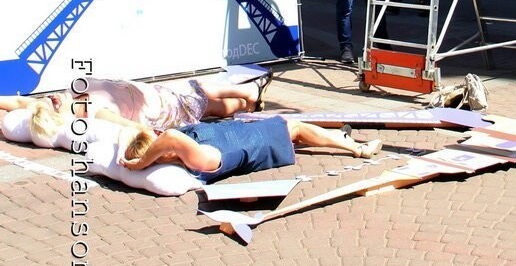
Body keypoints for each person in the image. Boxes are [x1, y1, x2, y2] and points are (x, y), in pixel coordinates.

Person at [119, 115, 383, 182]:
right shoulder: (199, 161)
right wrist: (140, 163)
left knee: (298, 131)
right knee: (296, 128)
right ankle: (356, 147)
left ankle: (339, 137)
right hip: (258, 142)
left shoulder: (187, 149)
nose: (159, 135)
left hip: (248, 133)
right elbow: (172, 137)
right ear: (160, 153)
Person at [0, 72, 272, 130]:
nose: (51, 97)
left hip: (153, 95)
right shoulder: (92, 112)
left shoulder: (72, 95)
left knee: (203, 97)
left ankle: (249, 98)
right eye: (52, 102)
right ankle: (249, 98)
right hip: (166, 109)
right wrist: (154, 135)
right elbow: (125, 125)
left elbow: (17, 103)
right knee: (205, 101)